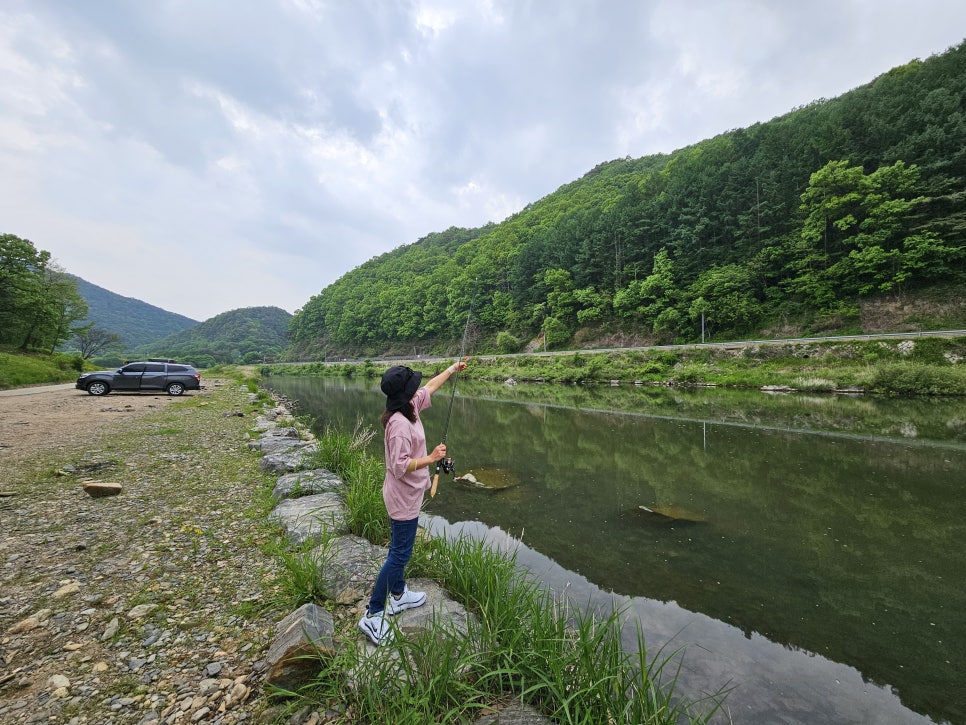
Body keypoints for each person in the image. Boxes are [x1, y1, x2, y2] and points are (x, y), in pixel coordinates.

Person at [358, 359, 468, 646]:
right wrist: (431, 459)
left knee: (400, 550)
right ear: (403, 394)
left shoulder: (410, 407)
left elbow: (430, 386)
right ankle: (373, 613)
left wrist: (452, 369)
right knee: (399, 555)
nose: (418, 388)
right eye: (412, 386)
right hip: (402, 498)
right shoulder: (398, 425)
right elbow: (398, 465)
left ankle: (398, 596)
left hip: (410, 494)